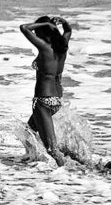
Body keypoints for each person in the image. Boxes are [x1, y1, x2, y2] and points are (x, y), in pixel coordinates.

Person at [20, 16, 72, 167]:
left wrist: (46, 24)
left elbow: (23, 27)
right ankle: (32, 157)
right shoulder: (62, 47)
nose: (35, 35)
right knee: (27, 131)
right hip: (56, 101)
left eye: (37, 32)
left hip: (43, 101)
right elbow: (68, 30)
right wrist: (62, 22)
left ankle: (66, 174)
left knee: (52, 149)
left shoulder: (45, 48)